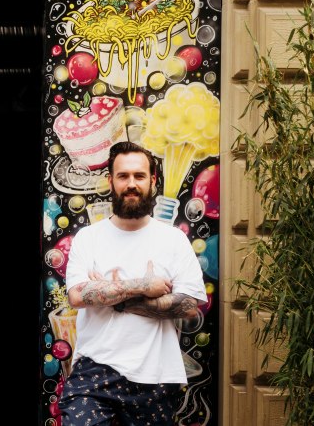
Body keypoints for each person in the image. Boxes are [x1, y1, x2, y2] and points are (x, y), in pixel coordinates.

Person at [61, 140, 207, 426]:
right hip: (94, 370)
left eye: (139, 176)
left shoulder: (173, 239)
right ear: (110, 181)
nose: (131, 184)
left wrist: (115, 296)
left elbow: (189, 305)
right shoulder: (88, 238)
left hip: (156, 375)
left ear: (152, 181)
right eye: (123, 176)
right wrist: (143, 285)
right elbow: (78, 296)